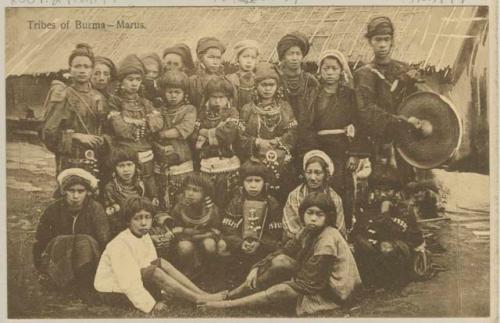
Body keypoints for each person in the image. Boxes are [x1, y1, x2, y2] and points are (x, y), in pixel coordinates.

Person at [201, 192, 361, 316]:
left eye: (319, 214)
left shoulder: (328, 239)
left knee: (281, 290)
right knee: (281, 260)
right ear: (303, 213)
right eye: (309, 213)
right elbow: (284, 251)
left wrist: (283, 285)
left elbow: (310, 283)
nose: (313, 218)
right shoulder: (307, 230)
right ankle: (228, 295)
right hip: (316, 279)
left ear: (328, 217)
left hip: (334, 292)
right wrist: (257, 268)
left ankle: (228, 305)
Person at [94, 196, 227, 314]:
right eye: (137, 218)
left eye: (147, 217)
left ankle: (202, 294)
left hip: (135, 283)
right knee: (153, 270)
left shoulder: (144, 236)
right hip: (113, 292)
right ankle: (198, 299)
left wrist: (163, 291)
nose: (144, 223)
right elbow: (128, 283)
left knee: (160, 262)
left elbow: (150, 263)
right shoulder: (120, 244)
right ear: (128, 222)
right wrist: (151, 305)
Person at [302, 50, 369, 230]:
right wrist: (313, 153)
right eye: (326, 68)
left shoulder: (350, 94)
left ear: (341, 71)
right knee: (318, 188)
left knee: (341, 188)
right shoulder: (313, 94)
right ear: (320, 71)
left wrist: (355, 154)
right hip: (320, 148)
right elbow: (307, 124)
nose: (330, 72)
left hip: (342, 149)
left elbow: (359, 123)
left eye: (334, 68)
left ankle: (343, 229)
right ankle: (317, 228)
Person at [33, 168, 110, 297]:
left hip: (89, 260)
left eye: (81, 191)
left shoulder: (95, 209)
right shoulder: (53, 209)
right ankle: (61, 282)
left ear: (88, 192)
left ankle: (84, 285)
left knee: (85, 241)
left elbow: (104, 240)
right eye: (71, 191)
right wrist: (40, 266)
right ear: (64, 191)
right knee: (61, 240)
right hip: (60, 257)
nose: (76, 196)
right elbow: (41, 240)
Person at [39, 43, 108, 177]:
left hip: (96, 160)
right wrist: (76, 136)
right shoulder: (63, 95)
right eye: (77, 66)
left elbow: (107, 129)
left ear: (92, 69)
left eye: (86, 66)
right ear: (70, 69)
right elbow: (48, 133)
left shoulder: (99, 97)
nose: (82, 70)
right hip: (70, 159)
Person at [107, 54, 164, 208]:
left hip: (146, 155)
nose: (134, 83)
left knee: (149, 186)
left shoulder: (145, 102)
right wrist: (144, 125)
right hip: (126, 154)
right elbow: (120, 129)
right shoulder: (115, 101)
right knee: (126, 188)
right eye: (130, 79)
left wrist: (143, 124)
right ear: (122, 81)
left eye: (138, 80)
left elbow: (158, 123)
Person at [239, 62, 297, 203]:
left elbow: (293, 131)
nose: (267, 89)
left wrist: (278, 141)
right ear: (256, 86)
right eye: (263, 85)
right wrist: (258, 142)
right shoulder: (247, 109)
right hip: (255, 161)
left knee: (279, 195)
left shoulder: (285, 107)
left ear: (277, 87)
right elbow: (240, 136)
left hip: (280, 159)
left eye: (271, 85)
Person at [222, 158, 283, 276]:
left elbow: (275, 231)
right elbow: (228, 226)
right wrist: (240, 243)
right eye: (249, 181)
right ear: (242, 183)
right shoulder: (237, 201)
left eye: (257, 181)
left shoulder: (271, 203)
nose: (253, 185)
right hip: (240, 246)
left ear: (265, 183)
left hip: (262, 247)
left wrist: (260, 242)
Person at [194, 76, 241, 208]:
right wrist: (215, 131)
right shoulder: (203, 114)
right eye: (214, 97)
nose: (217, 101)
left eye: (221, 97)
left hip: (227, 164)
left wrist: (205, 133)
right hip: (207, 164)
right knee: (208, 200)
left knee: (226, 199)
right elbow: (193, 134)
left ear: (228, 98)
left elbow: (228, 135)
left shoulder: (232, 112)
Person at [169, 173, 227, 278]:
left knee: (210, 245)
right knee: (185, 247)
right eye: (188, 189)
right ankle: (189, 268)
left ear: (205, 193)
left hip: (206, 238)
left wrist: (188, 231)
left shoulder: (212, 210)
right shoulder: (179, 208)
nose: (190, 193)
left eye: (196, 190)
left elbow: (216, 231)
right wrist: (189, 233)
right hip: (187, 240)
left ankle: (208, 268)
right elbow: (176, 231)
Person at [153, 70, 197, 210]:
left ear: (184, 93)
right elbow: (152, 129)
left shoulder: (189, 109)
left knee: (182, 194)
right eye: (169, 92)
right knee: (162, 193)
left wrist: (162, 134)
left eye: (177, 92)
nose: (173, 96)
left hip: (181, 155)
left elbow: (185, 128)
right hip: (161, 158)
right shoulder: (159, 110)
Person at [283, 150, 346, 241]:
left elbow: (338, 229)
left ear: (325, 174)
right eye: (309, 172)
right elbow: (291, 228)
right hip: (299, 243)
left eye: (318, 173)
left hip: (327, 243)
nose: (313, 178)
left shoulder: (334, 198)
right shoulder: (294, 196)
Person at [103, 146, 155, 236]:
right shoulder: (111, 188)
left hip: (145, 225)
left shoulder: (142, 184)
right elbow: (112, 218)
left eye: (129, 164)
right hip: (123, 230)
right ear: (115, 168)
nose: (126, 170)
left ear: (135, 165)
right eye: (121, 166)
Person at [189, 37, 226, 109]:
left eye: (218, 58)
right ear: (201, 58)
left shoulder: (224, 80)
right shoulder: (193, 82)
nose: (215, 62)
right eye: (211, 57)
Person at [226, 39, 260, 111]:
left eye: (253, 57)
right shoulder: (231, 79)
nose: (249, 61)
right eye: (245, 57)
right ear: (238, 58)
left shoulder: (258, 79)